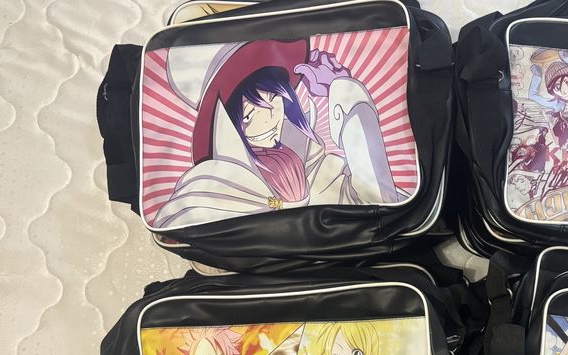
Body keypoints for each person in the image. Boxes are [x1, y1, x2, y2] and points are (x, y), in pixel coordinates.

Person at [153, 40, 398, 228]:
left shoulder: (308, 163)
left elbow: (381, 202)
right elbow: (176, 223)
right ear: (225, 127)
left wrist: (342, 88)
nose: (271, 119)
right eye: (248, 115)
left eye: (275, 98)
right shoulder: (210, 188)